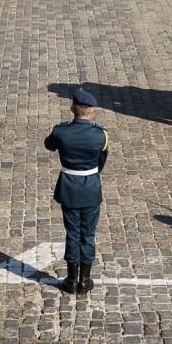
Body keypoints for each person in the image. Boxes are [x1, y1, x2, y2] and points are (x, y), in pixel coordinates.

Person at [44, 88, 108, 295]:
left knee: (72, 233)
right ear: (91, 111)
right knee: (87, 234)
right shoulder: (100, 135)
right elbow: (101, 163)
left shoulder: (61, 131)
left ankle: (71, 280)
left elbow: (49, 145)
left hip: (69, 187)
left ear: (73, 108)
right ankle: (84, 280)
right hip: (90, 187)